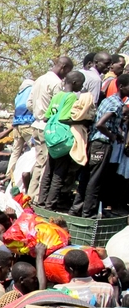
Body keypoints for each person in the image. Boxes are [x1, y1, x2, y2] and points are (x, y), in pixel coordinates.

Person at [70, 74, 129, 217]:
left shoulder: (109, 100)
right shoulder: (117, 104)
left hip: (94, 143)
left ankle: (76, 209)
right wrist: (112, 136)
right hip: (102, 144)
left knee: (86, 176)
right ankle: (88, 212)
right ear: (121, 86)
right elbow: (100, 124)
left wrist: (118, 135)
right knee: (95, 179)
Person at [26, 56, 74, 204]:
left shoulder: (39, 79)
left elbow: (29, 103)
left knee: (39, 162)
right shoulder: (57, 83)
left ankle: (30, 195)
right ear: (64, 68)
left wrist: (38, 112)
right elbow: (57, 107)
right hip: (49, 127)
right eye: (67, 71)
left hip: (36, 124)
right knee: (46, 165)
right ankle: (37, 197)